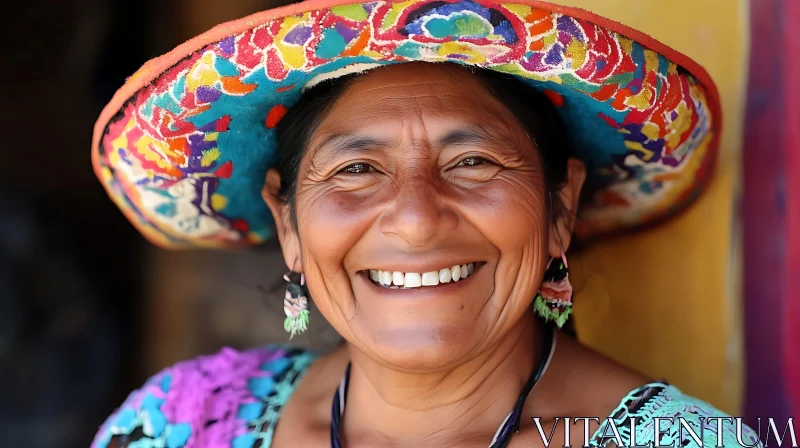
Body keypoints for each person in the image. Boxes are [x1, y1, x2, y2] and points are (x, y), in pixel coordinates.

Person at [89, 1, 761, 447]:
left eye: (472, 161)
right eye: (356, 170)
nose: (415, 221)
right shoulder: (187, 422)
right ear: (287, 222)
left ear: (560, 208)